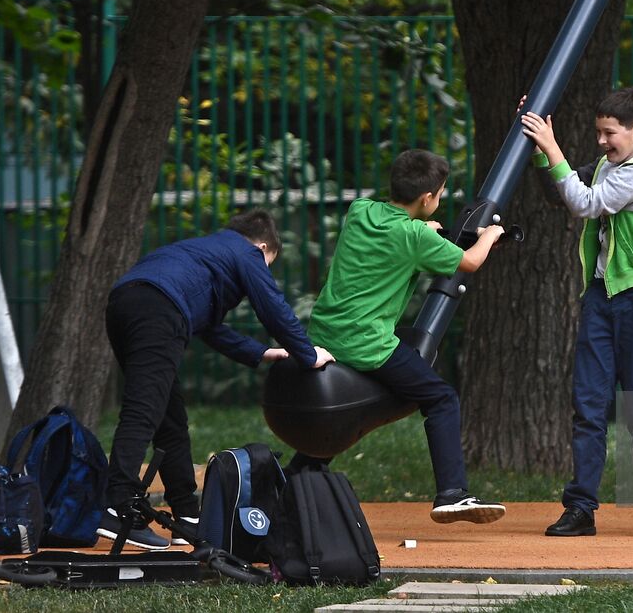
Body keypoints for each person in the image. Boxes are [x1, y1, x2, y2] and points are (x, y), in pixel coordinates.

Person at [100, 209, 335, 549]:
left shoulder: (204, 251)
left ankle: (187, 515)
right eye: (269, 262)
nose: (264, 269)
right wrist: (308, 354)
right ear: (264, 246)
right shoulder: (247, 252)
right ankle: (116, 506)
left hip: (125, 304)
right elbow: (272, 306)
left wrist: (259, 352)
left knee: (170, 417)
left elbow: (208, 326)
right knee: (144, 410)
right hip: (158, 311)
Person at [304, 148, 507, 525]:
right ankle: (452, 493)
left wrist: (424, 229)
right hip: (367, 343)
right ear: (428, 198)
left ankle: (300, 472)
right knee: (441, 398)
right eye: (441, 193)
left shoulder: (360, 212)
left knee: (356, 406)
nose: (440, 199)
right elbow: (471, 262)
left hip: (326, 334)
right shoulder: (414, 235)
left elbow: (400, 230)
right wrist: (491, 235)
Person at [520, 87, 633, 538]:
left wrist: (553, 150)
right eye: (597, 132)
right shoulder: (612, 166)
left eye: (608, 133)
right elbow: (564, 188)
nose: (600, 141)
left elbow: (585, 203)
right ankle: (581, 509)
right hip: (602, 295)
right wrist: (541, 149)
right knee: (588, 405)